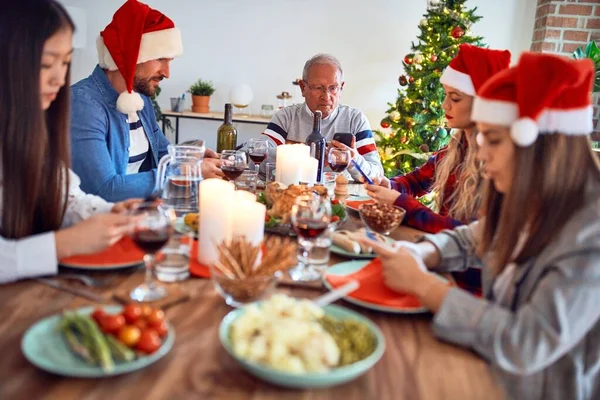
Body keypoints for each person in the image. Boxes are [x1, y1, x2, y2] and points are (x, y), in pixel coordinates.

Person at [363, 53, 600, 399]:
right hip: (487, 367)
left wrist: (424, 286)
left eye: (493, 139)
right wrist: (420, 251)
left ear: (537, 145)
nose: (481, 151)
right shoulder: (533, 195)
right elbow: (471, 238)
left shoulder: (589, 235)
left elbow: (524, 342)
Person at [0, 0, 140, 284]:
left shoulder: (30, 129)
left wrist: (109, 212)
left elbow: (66, 198)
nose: (59, 79)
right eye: (45, 64)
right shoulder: (87, 104)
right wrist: (62, 244)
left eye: (65, 63)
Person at [366, 45, 511, 294]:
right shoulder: (456, 145)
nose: (445, 106)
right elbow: (416, 181)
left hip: (466, 284)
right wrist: (389, 185)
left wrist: (402, 203)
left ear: (482, 103)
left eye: (455, 98)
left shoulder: (498, 163)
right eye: (445, 95)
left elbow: (465, 235)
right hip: (439, 264)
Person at [70, 0, 222, 202]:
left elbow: (162, 154)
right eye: (160, 58)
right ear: (130, 54)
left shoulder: (140, 100)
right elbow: (104, 189)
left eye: (170, 61)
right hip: (104, 223)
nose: (167, 73)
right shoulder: (83, 104)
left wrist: (190, 158)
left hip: (142, 212)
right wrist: (185, 171)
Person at [261, 53, 384, 181]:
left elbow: (378, 175)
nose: (326, 96)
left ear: (341, 88)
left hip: (341, 197)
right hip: (296, 194)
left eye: (333, 88)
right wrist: (308, 155)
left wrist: (353, 159)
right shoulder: (286, 117)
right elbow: (258, 157)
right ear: (303, 88)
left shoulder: (355, 120)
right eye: (318, 88)